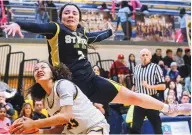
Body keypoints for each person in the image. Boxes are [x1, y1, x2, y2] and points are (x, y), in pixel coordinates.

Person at [1, 3, 190, 118]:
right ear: (61, 17)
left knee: (132, 96)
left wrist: (110, 32)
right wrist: (19, 23)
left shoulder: (82, 34)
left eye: (74, 13)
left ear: (79, 18)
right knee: (70, 124)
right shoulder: (56, 29)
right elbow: (38, 25)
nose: (70, 15)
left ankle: (169, 108)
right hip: (68, 84)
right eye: (66, 12)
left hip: (91, 81)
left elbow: (97, 36)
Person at [11, 61, 109, 134]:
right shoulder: (46, 100)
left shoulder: (63, 85)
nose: (39, 70)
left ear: (52, 73)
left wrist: (34, 123)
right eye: (36, 69)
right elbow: (59, 129)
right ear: (35, 78)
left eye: (43, 67)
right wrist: (39, 132)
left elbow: (65, 117)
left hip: (94, 125)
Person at [130, 48, 166, 134]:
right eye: (143, 55)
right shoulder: (136, 68)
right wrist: (130, 95)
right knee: (135, 127)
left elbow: (163, 86)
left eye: (147, 55)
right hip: (139, 100)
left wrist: (149, 86)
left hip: (151, 99)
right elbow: (134, 86)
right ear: (140, 57)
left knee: (157, 126)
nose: (145, 57)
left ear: (150, 56)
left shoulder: (156, 67)